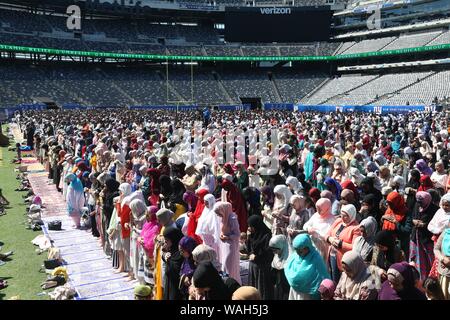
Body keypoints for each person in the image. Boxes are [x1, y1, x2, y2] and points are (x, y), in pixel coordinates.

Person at [284, 234, 330, 300]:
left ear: (307, 247)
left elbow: (323, 278)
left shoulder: (316, 258)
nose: (298, 253)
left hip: (307, 295)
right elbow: (288, 270)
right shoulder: (295, 257)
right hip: (295, 292)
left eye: (300, 251)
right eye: (296, 250)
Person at [326, 204, 361, 283]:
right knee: (333, 276)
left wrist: (340, 244)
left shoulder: (356, 228)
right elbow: (327, 234)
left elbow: (354, 247)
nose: (343, 218)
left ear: (351, 215)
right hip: (332, 254)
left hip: (343, 259)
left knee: (340, 280)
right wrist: (330, 239)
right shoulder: (338, 221)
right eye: (342, 215)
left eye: (346, 216)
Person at [410, 191, 439, 281]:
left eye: (421, 202)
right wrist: (414, 221)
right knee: (417, 260)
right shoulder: (417, 205)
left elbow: (436, 225)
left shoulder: (435, 210)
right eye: (418, 202)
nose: (420, 204)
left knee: (429, 260)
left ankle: (431, 280)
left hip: (427, 239)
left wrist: (425, 225)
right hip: (416, 237)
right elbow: (412, 216)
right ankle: (420, 279)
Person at [247, 215, 274, 300]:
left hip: (262, 268)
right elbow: (249, 249)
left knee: (262, 289)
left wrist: (256, 257)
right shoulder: (254, 234)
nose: (249, 228)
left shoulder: (267, 235)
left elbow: (268, 254)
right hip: (253, 266)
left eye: (251, 226)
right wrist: (248, 237)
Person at [213, 201, 241, 284]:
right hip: (224, 244)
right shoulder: (224, 217)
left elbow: (237, 234)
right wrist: (222, 235)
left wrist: (228, 237)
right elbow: (223, 230)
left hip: (230, 246)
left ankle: (232, 283)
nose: (218, 215)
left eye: (219, 213)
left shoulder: (232, 218)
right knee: (224, 265)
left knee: (228, 266)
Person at [381, 191, 413, 260]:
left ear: (397, 202)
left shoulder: (406, 213)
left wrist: (396, 222)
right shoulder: (389, 210)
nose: (389, 205)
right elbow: (384, 225)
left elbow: (407, 231)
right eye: (388, 203)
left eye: (391, 203)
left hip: (400, 246)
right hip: (388, 245)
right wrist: (383, 218)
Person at [303, 197, 336, 262]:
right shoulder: (316, 215)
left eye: (320, 209)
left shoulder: (332, 220)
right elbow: (306, 225)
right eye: (317, 208)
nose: (318, 211)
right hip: (313, 247)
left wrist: (316, 232)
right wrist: (308, 228)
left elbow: (328, 236)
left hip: (324, 249)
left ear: (326, 208)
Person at [162, 226, 184, 300]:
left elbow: (176, 268)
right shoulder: (171, 249)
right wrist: (164, 255)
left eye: (166, 240)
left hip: (176, 287)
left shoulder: (180, 253)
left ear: (173, 239)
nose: (165, 243)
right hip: (169, 284)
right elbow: (166, 257)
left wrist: (168, 260)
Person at [195, 194, 220, 258]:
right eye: (205, 202)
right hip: (205, 237)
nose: (205, 205)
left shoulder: (215, 211)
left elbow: (215, 226)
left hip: (211, 237)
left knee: (213, 254)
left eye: (207, 203)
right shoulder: (205, 210)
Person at [269, 234, 290, 300]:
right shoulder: (276, 256)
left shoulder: (289, 257)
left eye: (275, 250)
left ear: (281, 247)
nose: (274, 252)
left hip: (287, 288)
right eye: (272, 250)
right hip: (278, 286)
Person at [433, 220, 450, 300]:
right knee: (444, 294)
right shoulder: (445, 233)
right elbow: (436, 249)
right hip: (444, 272)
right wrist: (442, 259)